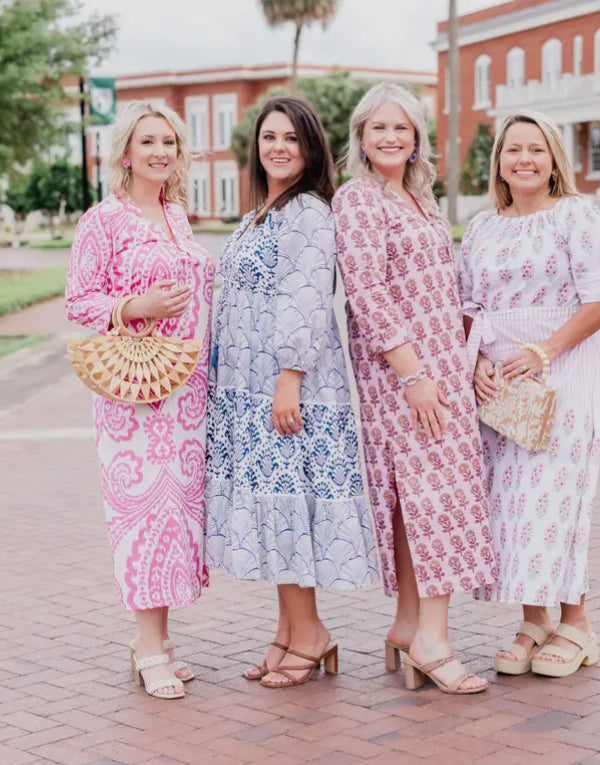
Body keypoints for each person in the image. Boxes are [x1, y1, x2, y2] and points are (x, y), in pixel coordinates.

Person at [206, 96, 377, 688]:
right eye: (268, 136)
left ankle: (310, 634)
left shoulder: (307, 210)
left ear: (310, 149)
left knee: (287, 507)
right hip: (248, 388)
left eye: (291, 138)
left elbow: (304, 298)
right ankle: (289, 631)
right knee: (276, 509)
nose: (277, 146)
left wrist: (290, 378)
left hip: (287, 386)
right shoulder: (264, 210)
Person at [332, 82, 494, 695]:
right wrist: (415, 375)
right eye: (378, 128)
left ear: (418, 136)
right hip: (402, 376)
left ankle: (407, 626)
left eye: (401, 128)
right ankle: (434, 640)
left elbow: (445, 292)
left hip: (442, 371)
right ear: (361, 138)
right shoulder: (358, 199)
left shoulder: (421, 200)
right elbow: (368, 294)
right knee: (435, 501)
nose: (391, 137)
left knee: (416, 497)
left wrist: (462, 360)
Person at [460, 109, 600, 678]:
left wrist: (545, 352)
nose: (524, 159)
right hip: (501, 382)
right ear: (499, 162)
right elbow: (467, 307)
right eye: (513, 150)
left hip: (562, 372)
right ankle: (535, 619)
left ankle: (576, 623)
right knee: (511, 502)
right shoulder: (482, 226)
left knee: (558, 496)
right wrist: (477, 361)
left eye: (536, 149)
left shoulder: (576, 217)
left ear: (554, 158)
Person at [64, 101, 215, 700]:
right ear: (125, 152)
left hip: (189, 394)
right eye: (149, 141)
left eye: (170, 143)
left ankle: (158, 642)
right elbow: (79, 302)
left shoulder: (177, 216)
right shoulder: (103, 220)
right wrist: (135, 308)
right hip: (134, 396)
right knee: (144, 515)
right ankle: (148, 646)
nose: (160, 152)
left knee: (177, 517)